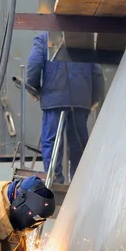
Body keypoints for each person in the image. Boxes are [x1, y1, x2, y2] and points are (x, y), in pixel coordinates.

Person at [27, 32, 104, 184]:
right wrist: (94, 97)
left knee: (52, 141)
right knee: (78, 143)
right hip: (80, 99)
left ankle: (54, 181)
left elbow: (34, 64)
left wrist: (33, 89)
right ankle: (78, 183)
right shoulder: (85, 37)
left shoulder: (45, 37)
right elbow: (97, 71)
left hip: (53, 97)